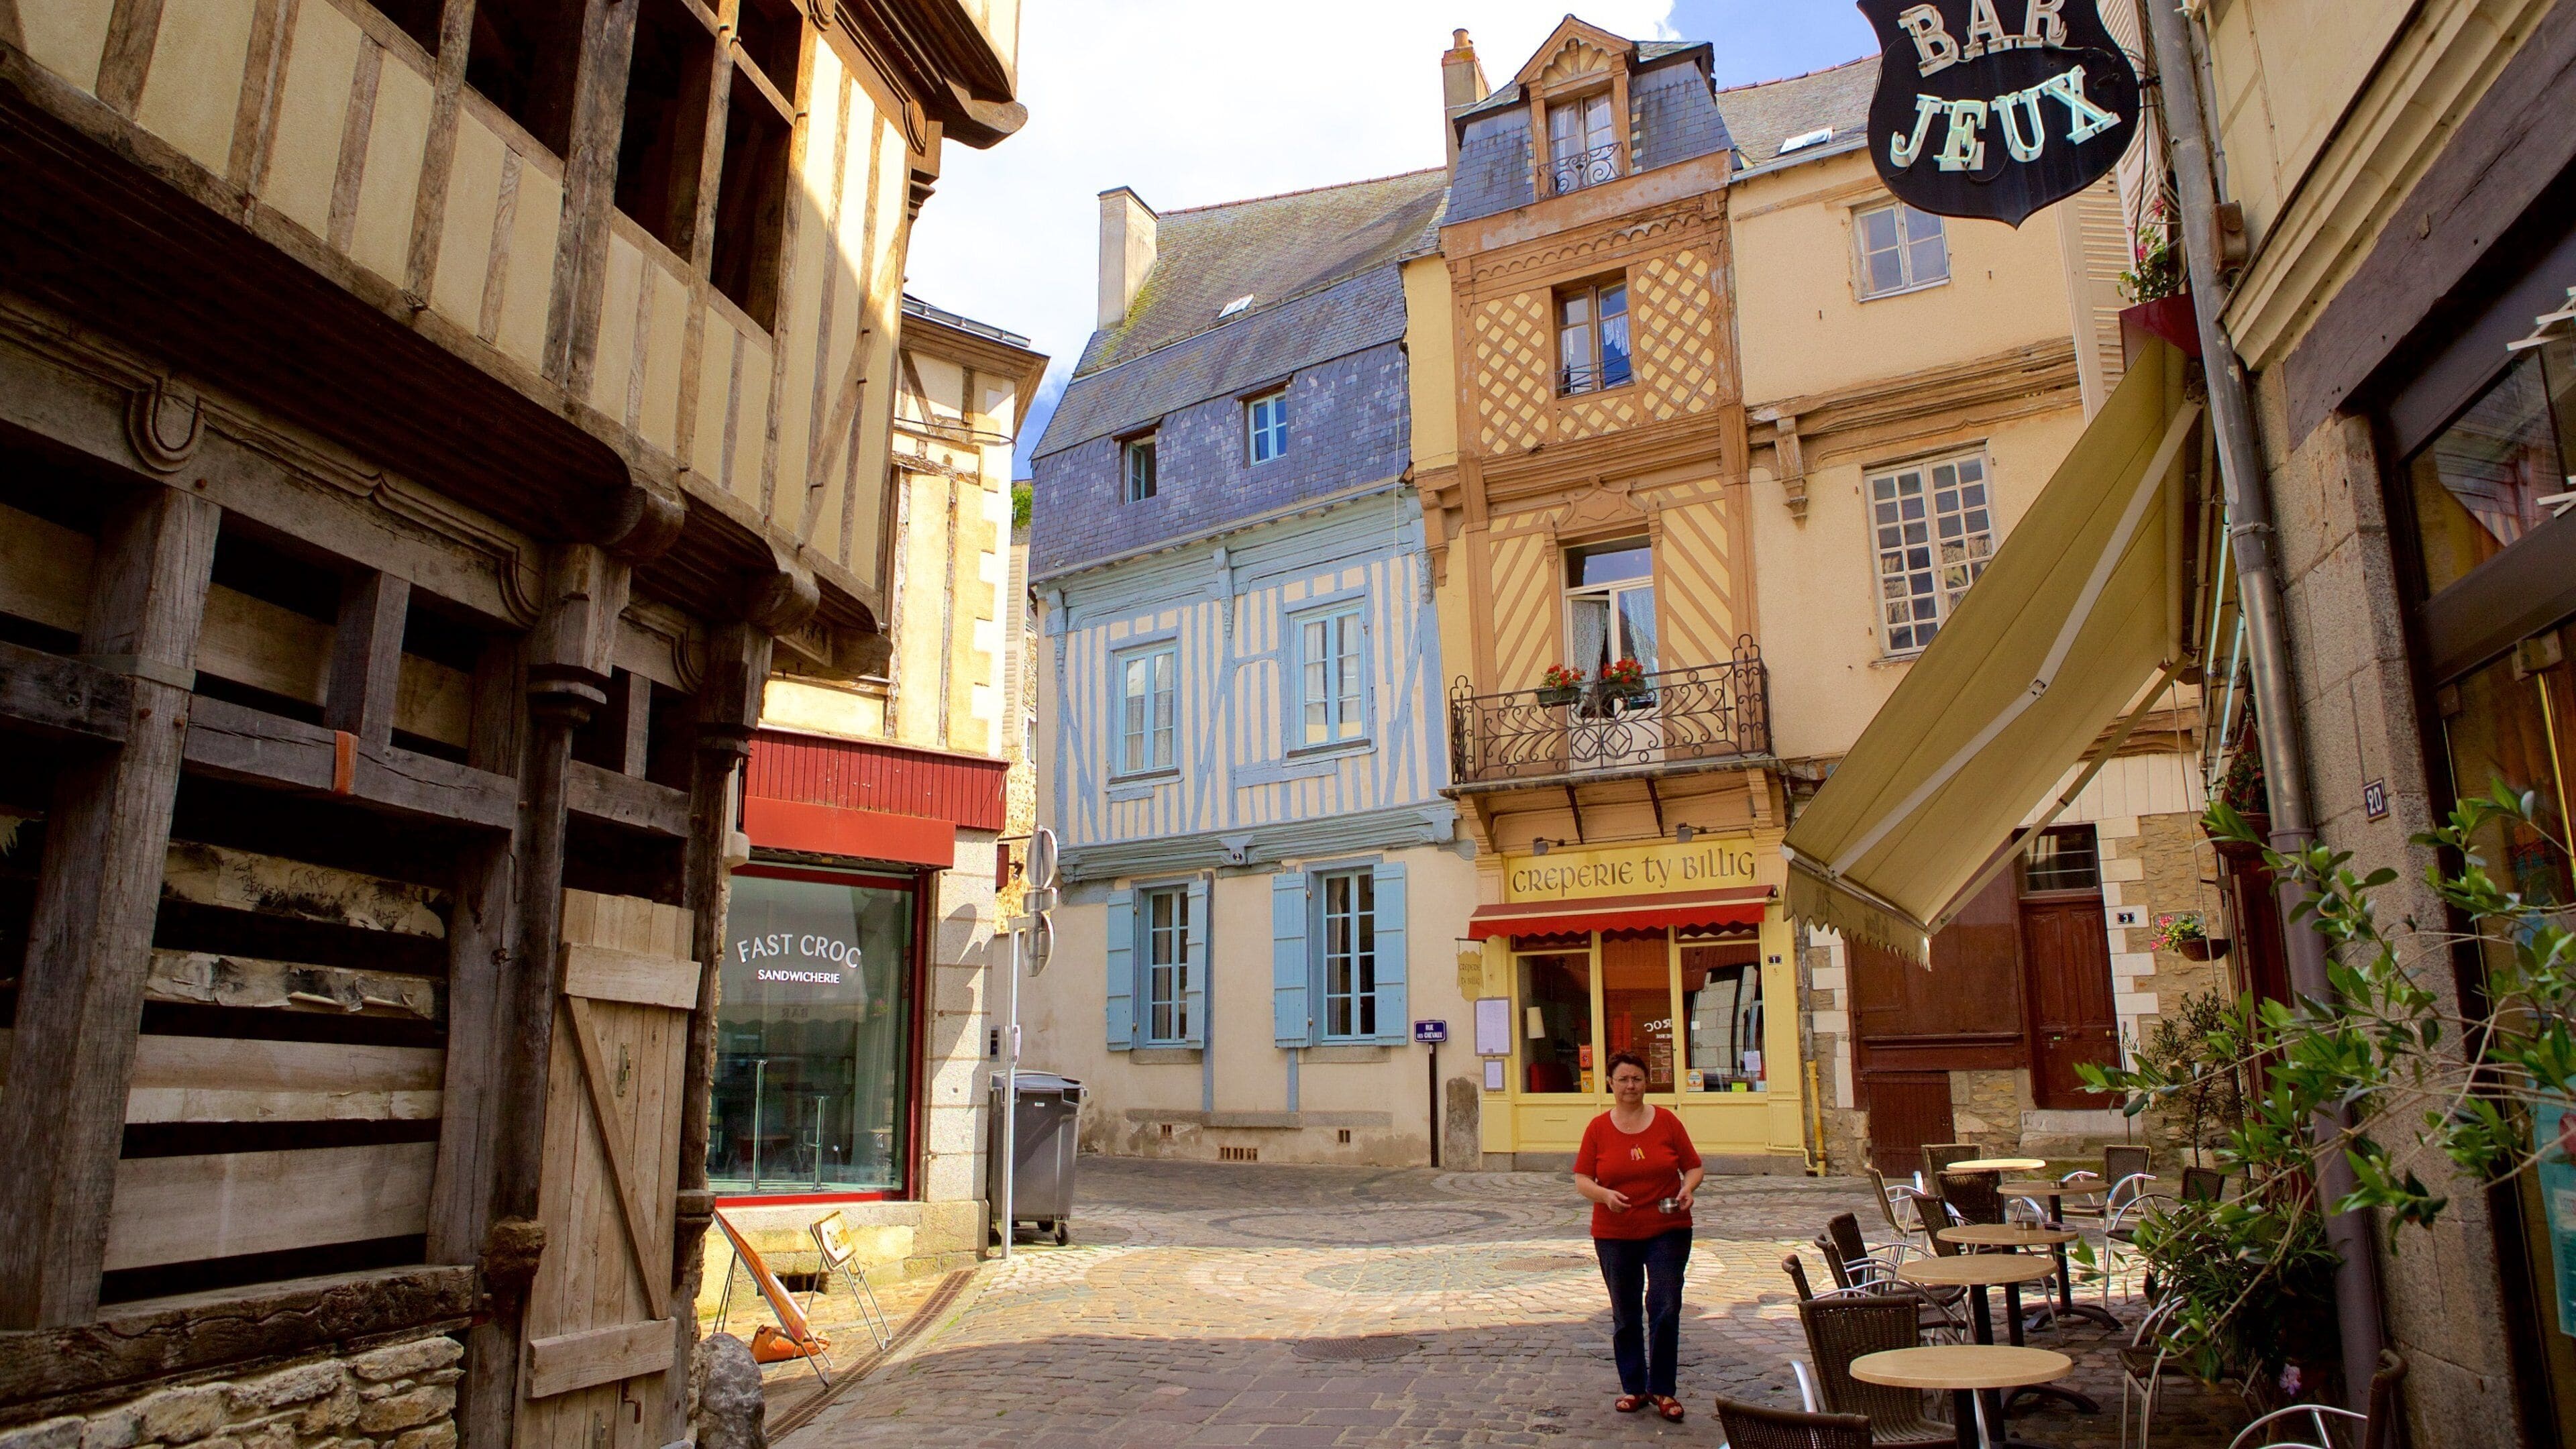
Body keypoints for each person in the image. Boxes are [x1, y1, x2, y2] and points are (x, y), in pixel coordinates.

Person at [1573, 1051, 1704, 1424]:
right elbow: (1582, 1179)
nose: (1631, 1086)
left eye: (1638, 1079)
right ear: (1610, 1084)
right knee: (1625, 1313)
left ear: (1647, 1083)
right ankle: (1634, 1387)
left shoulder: (1667, 1122)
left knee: (1665, 1306)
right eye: (1624, 1079)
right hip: (1615, 1232)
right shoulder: (1598, 1129)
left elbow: (1693, 1166)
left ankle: (1663, 1389)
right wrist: (1604, 1196)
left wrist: (1688, 1189)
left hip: (1668, 1228)